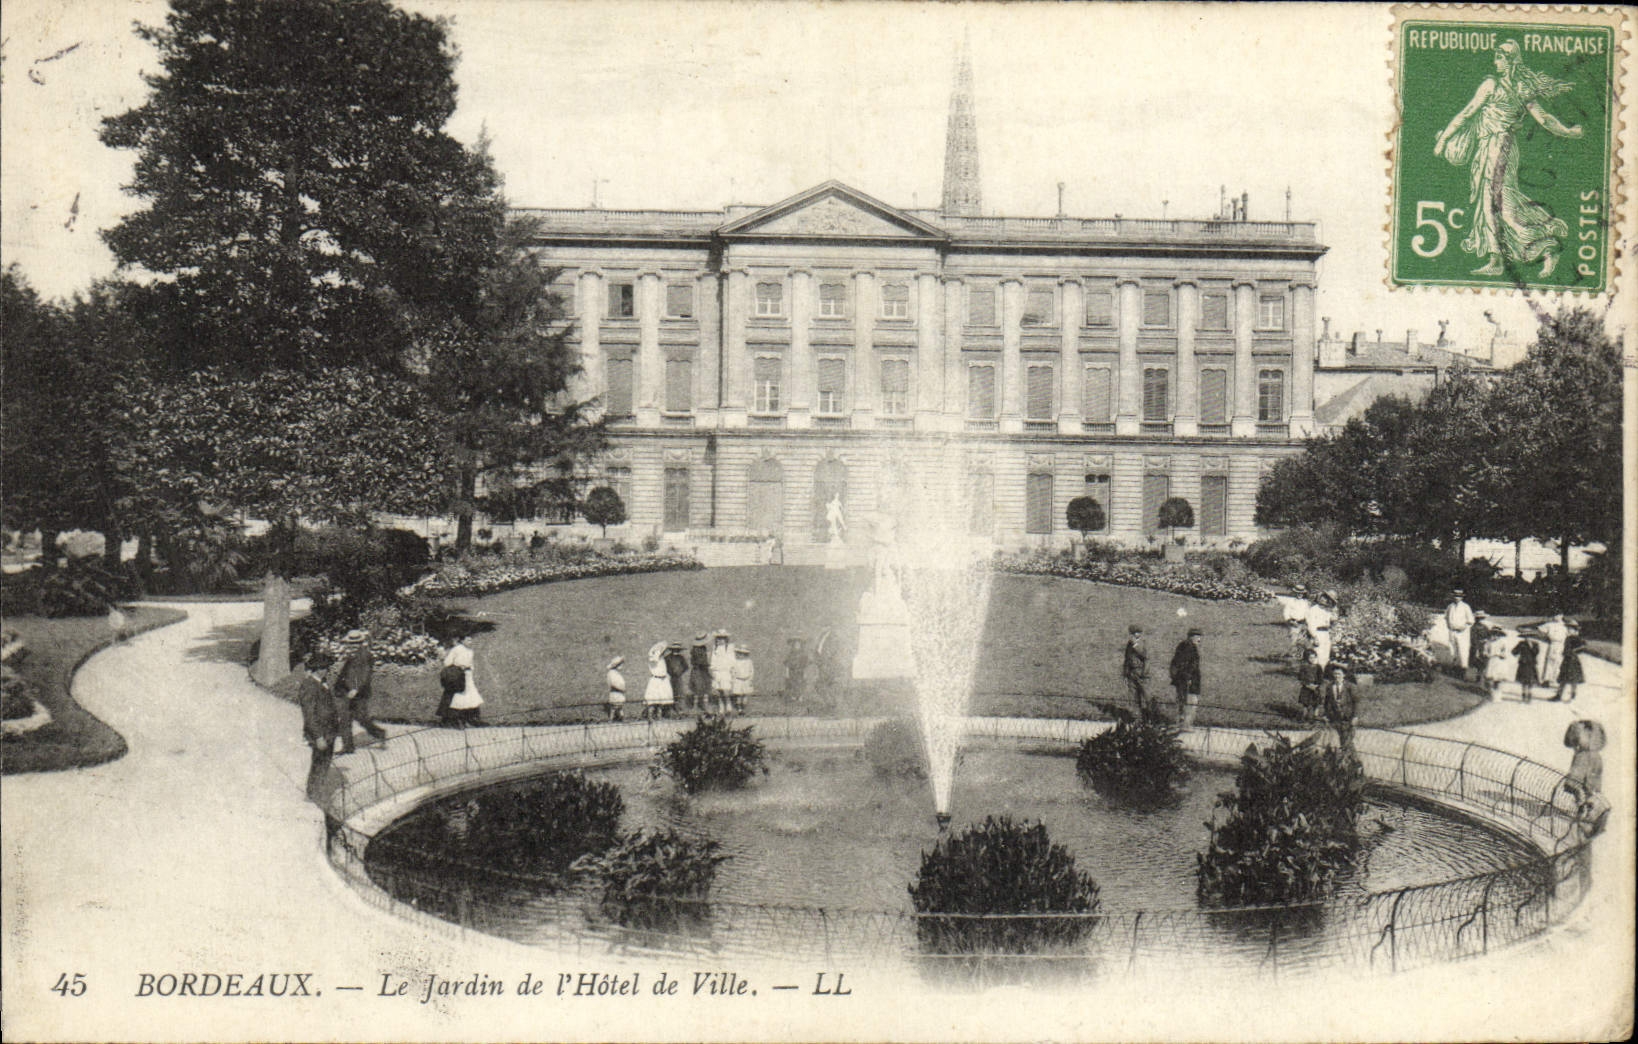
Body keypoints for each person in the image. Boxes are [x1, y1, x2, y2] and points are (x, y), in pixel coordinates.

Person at [1434, 39, 1582, 278]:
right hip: (1491, 147)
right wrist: (1568, 131)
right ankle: (1499, 259)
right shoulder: (1510, 86)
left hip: (1500, 147)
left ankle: (1546, 244)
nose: (1496, 61)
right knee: (1490, 204)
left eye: (1500, 57)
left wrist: (1443, 140)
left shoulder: (1499, 86)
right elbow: (1469, 112)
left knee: (1501, 206)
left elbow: (1543, 119)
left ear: (1511, 60)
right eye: (1496, 57)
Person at [297, 651, 341, 804]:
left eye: (327, 668)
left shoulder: (323, 683)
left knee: (325, 762)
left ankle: (317, 792)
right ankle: (313, 795)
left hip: (329, 731)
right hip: (321, 733)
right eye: (324, 668)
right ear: (317, 669)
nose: (327, 671)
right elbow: (309, 716)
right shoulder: (309, 686)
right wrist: (318, 737)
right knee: (319, 763)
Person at [332, 629, 385, 753]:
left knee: (361, 718)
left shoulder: (365, 655)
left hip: (358, 693)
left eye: (356, 643)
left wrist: (355, 688)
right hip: (346, 691)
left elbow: (364, 674)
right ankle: (348, 746)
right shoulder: (353, 654)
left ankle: (380, 733)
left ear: (361, 643)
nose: (352, 646)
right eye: (351, 643)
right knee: (345, 719)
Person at [1322, 664, 1360, 754]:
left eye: (1339, 674)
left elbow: (1356, 702)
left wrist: (1355, 717)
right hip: (1335, 718)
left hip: (1347, 718)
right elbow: (1327, 702)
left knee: (1347, 742)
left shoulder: (1350, 686)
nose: (1337, 676)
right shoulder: (1330, 686)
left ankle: (1355, 762)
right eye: (1335, 674)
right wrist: (1325, 715)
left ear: (1344, 675)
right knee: (1333, 742)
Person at [1169, 628, 1203, 729]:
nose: (1199, 639)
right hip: (1188, 680)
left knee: (1182, 701)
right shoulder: (1189, 647)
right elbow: (1187, 665)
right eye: (1197, 636)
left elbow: (1175, 663)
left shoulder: (1185, 646)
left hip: (1183, 679)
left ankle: (1181, 723)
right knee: (1190, 702)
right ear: (1191, 637)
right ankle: (1186, 725)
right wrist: (1188, 677)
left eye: (1200, 636)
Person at [1443, 590, 1475, 677]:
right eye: (1455, 596)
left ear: (1462, 597)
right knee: (1452, 650)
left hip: (1462, 633)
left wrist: (1463, 627)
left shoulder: (1465, 607)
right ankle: (1453, 669)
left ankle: (1463, 671)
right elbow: (1446, 617)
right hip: (1452, 631)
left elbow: (1470, 621)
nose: (1457, 598)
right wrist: (1449, 626)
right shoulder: (1450, 606)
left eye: (1459, 596)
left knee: (1463, 650)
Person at [435, 638, 465, 725]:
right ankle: (454, 718)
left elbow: (447, 662)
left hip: (453, 673)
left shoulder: (455, 650)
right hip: (458, 673)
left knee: (449, 695)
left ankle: (447, 717)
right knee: (455, 695)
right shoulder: (464, 650)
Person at [1555, 621, 1587, 702]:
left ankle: (1566, 695)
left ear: (1575, 630)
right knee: (1568, 677)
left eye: (1570, 629)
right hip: (1568, 659)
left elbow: (1583, 647)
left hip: (1571, 659)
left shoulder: (1575, 638)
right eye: (1568, 628)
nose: (1568, 630)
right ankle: (1567, 694)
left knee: (1568, 677)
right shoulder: (1569, 638)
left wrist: (1573, 651)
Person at [1122, 625, 1150, 716]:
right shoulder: (1129, 644)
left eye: (1137, 633)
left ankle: (1151, 714)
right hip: (1131, 672)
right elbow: (1127, 659)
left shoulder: (1143, 643)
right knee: (1133, 695)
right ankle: (1135, 715)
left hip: (1141, 672)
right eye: (1133, 633)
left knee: (1146, 695)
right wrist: (1125, 674)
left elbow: (1145, 656)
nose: (1135, 635)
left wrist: (1135, 645)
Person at [643, 640, 673, 721]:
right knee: (653, 699)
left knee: (661, 699)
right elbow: (654, 662)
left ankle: (659, 715)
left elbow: (663, 670)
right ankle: (650, 715)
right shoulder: (653, 660)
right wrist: (656, 654)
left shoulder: (662, 659)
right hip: (656, 680)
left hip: (662, 680)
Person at [1537, 613, 1569, 688]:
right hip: (1553, 644)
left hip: (1562, 645)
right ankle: (1546, 680)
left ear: (1562, 616)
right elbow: (1539, 630)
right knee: (1549, 662)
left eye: (1558, 615)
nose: (1555, 617)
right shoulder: (1549, 625)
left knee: (1559, 662)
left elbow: (1570, 634)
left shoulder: (1565, 626)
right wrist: (1545, 638)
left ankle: (1557, 680)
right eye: (1554, 615)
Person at [1305, 591, 1336, 668]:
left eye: (1327, 599)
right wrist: (1314, 636)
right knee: (1317, 653)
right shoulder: (1313, 609)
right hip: (1318, 633)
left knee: (1325, 654)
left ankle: (1322, 672)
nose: (1324, 600)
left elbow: (1332, 620)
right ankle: (1315, 674)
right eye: (1323, 597)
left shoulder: (1327, 611)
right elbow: (1311, 624)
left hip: (1326, 634)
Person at [709, 632, 735, 715]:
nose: (720, 640)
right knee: (718, 691)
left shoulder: (729, 648)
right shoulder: (715, 648)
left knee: (726, 690)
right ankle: (721, 707)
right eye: (719, 638)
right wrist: (713, 671)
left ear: (725, 639)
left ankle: (728, 706)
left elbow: (732, 660)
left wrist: (732, 670)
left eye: (722, 638)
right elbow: (713, 660)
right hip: (717, 672)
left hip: (725, 672)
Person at [1483, 628, 1513, 697]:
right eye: (1493, 634)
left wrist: (1503, 654)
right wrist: (1487, 654)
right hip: (1491, 660)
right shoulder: (1488, 642)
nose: (1495, 636)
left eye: (1497, 635)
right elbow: (1485, 651)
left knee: (1498, 678)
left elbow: (1505, 651)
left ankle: (1497, 693)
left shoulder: (1502, 642)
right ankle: (1491, 693)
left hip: (1499, 661)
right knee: (1490, 677)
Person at [1296, 647, 1325, 720]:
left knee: (1316, 702)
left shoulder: (1318, 667)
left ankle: (1316, 715)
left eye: (1314, 657)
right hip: (1306, 687)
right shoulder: (1304, 667)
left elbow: (1320, 677)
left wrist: (1317, 685)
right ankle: (1304, 715)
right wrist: (1307, 685)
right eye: (1310, 658)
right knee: (1305, 702)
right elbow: (1301, 678)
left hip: (1315, 687)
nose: (1312, 659)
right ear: (1306, 658)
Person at [1512, 633, 1541, 702]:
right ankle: (1524, 695)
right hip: (1523, 664)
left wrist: (1531, 646)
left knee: (1530, 681)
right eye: (1526, 637)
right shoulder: (1521, 643)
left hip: (1531, 664)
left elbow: (1536, 653)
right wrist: (1518, 655)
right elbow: (1514, 651)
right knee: (1524, 681)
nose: (1528, 638)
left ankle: (1529, 695)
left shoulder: (1535, 644)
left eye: (1530, 637)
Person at [688, 634, 712, 714]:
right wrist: (706, 665)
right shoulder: (696, 650)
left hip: (702, 670)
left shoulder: (703, 648)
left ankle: (704, 705)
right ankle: (697, 706)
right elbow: (698, 661)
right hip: (699, 670)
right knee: (698, 688)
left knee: (704, 688)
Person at [664, 641, 690, 712]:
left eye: (677, 649)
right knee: (670, 692)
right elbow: (665, 667)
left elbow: (686, 667)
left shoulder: (681, 658)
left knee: (679, 692)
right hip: (670, 677)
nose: (676, 650)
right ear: (672, 649)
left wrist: (679, 672)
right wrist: (670, 672)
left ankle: (679, 709)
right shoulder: (667, 658)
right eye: (674, 649)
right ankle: (670, 709)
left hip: (678, 678)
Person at [731, 644, 755, 713]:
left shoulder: (749, 662)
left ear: (746, 655)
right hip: (738, 680)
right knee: (738, 695)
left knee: (745, 695)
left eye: (744, 654)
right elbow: (733, 671)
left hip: (746, 680)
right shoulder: (735, 662)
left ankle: (744, 708)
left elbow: (751, 671)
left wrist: (750, 679)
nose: (742, 655)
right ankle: (739, 709)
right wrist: (733, 679)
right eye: (740, 654)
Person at [784, 636, 810, 703]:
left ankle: (800, 696)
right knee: (792, 683)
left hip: (800, 672)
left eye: (798, 644)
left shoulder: (803, 654)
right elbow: (787, 664)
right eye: (795, 644)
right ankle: (793, 696)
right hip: (792, 672)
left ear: (801, 645)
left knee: (800, 683)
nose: (796, 646)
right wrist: (787, 672)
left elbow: (805, 665)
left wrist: (805, 672)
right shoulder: (790, 654)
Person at [605, 656, 627, 722]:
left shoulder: (617, 673)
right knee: (614, 707)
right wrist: (621, 688)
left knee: (620, 707)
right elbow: (613, 683)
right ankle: (611, 719)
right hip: (615, 692)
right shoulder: (611, 673)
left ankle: (622, 718)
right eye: (620, 665)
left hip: (619, 692)